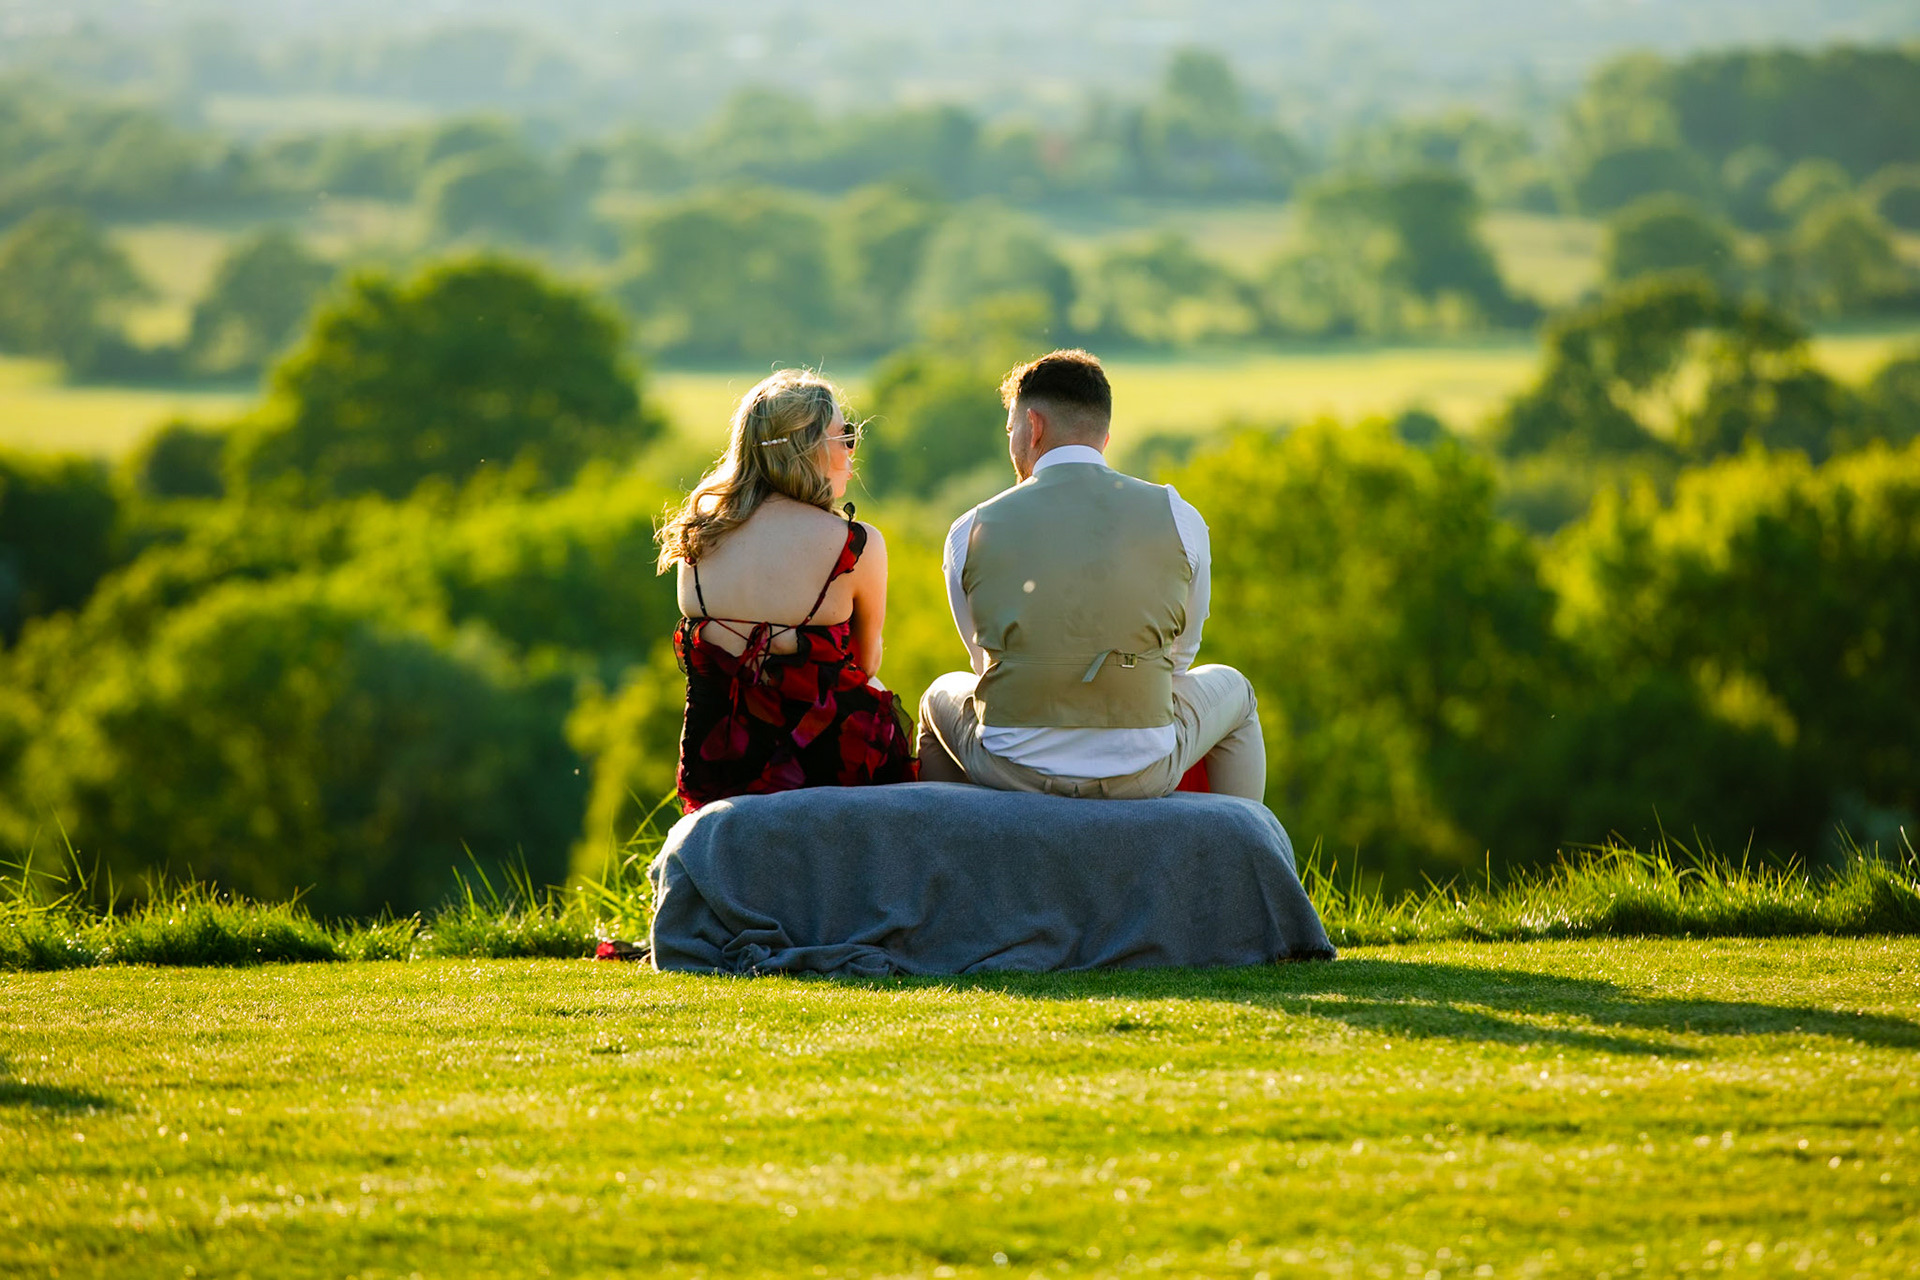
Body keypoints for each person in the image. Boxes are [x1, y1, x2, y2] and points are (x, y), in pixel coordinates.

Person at [917, 349, 1265, 801]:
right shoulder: (1180, 516)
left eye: (1011, 430)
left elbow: (982, 663)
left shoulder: (971, 528)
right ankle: (1238, 846)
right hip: (1143, 768)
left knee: (937, 695)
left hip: (1010, 765)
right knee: (1236, 690)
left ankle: (947, 853)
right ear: (1103, 435)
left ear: (1033, 427)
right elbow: (1182, 657)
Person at [657, 369, 915, 813]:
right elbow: (867, 661)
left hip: (720, 769)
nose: (852, 450)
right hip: (831, 765)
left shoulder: (695, 537)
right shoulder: (856, 545)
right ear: (810, 449)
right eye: (844, 436)